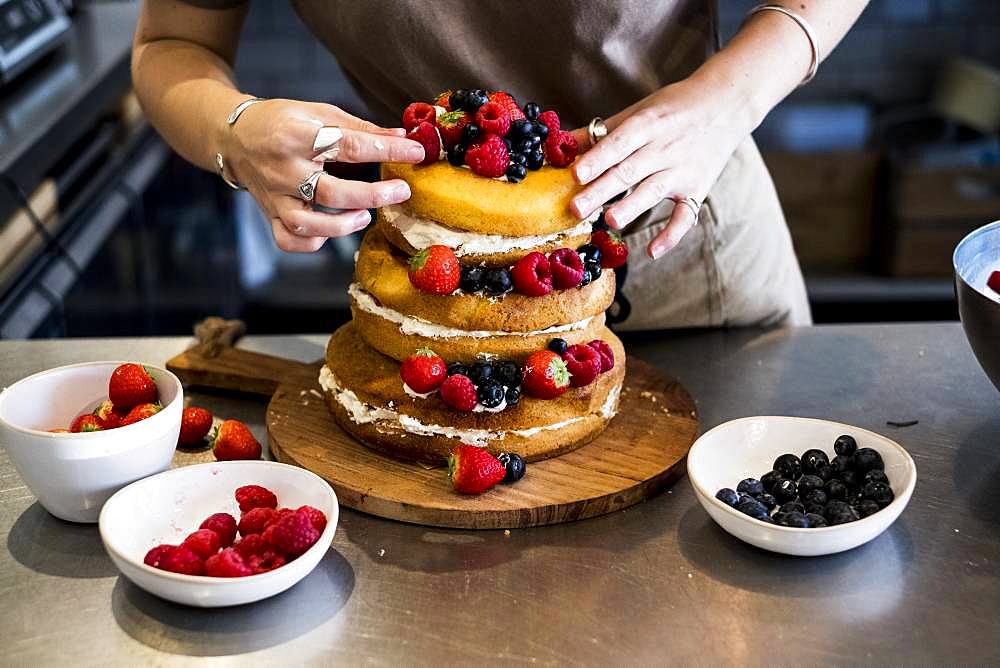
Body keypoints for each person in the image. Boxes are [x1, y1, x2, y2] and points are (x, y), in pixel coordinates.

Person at [132, 1, 869, 329]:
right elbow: (170, 43)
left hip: (677, 245)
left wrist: (726, 100)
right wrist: (235, 130)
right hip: (443, 277)